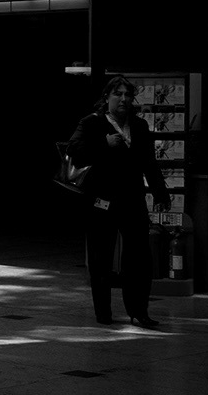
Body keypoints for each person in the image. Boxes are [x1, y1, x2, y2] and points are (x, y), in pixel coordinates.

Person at [67, 74, 171, 328]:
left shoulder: (139, 126)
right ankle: (103, 313)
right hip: (101, 201)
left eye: (127, 95)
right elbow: (73, 150)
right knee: (101, 259)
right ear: (107, 98)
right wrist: (103, 144)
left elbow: (149, 162)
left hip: (132, 200)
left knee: (139, 258)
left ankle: (139, 311)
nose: (123, 99)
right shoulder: (92, 124)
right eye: (118, 94)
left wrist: (160, 192)